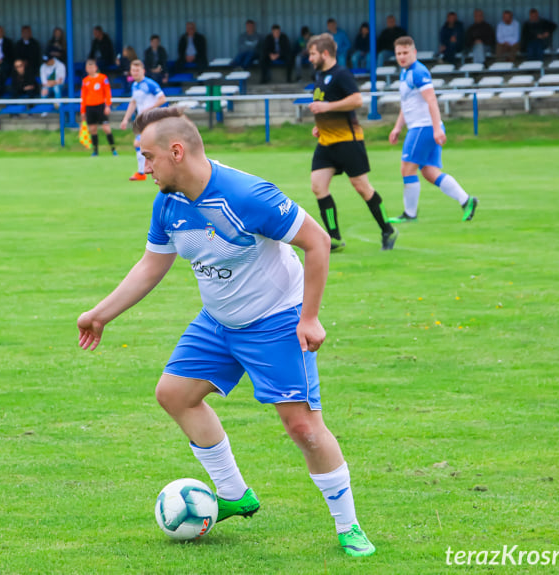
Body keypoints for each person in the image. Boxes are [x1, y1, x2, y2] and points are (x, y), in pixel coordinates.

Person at [77, 105, 377, 559]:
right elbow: (151, 265)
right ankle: (234, 493)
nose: (145, 167)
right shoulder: (168, 204)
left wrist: (309, 317)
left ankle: (348, 526)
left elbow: (315, 242)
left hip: (276, 318)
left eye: (148, 156)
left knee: (303, 427)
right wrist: (102, 314)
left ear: (176, 151)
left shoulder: (247, 194)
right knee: (174, 393)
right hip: (219, 320)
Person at [306, 34, 397, 252]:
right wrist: (321, 125)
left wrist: (326, 108)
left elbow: (356, 99)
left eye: (312, 53)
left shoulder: (341, 74)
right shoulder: (321, 76)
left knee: (362, 188)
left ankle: (387, 229)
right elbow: (328, 106)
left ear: (325, 53)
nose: (310, 58)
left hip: (348, 141)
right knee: (318, 186)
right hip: (327, 142)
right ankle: (333, 238)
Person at [387, 36, 478, 224]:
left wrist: (437, 128)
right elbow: (407, 104)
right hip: (422, 127)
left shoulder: (418, 72)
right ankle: (466, 200)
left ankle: (410, 214)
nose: (402, 56)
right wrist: (397, 127)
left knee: (407, 169)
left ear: (414, 52)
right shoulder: (405, 73)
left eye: (405, 52)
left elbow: (431, 100)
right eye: (399, 53)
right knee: (429, 172)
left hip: (423, 127)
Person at [119, 60, 166, 181]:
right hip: (142, 121)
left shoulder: (150, 84)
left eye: (137, 70)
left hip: (151, 119)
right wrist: (125, 119)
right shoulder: (134, 85)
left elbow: (162, 99)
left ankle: (145, 172)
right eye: (132, 70)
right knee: (146, 145)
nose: (134, 73)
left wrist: (148, 109)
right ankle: (146, 172)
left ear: (143, 71)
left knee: (141, 144)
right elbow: (133, 103)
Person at [81, 59, 116, 156]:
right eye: (88, 67)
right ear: (86, 69)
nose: (90, 69)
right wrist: (83, 110)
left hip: (100, 106)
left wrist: (108, 105)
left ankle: (113, 149)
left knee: (106, 128)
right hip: (89, 107)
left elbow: (107, 93)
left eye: (92, 67)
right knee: (92, 129)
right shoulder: (85, 81)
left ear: (96, 68)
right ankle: (95, 151)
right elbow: (83, 97)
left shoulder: (102, 78)